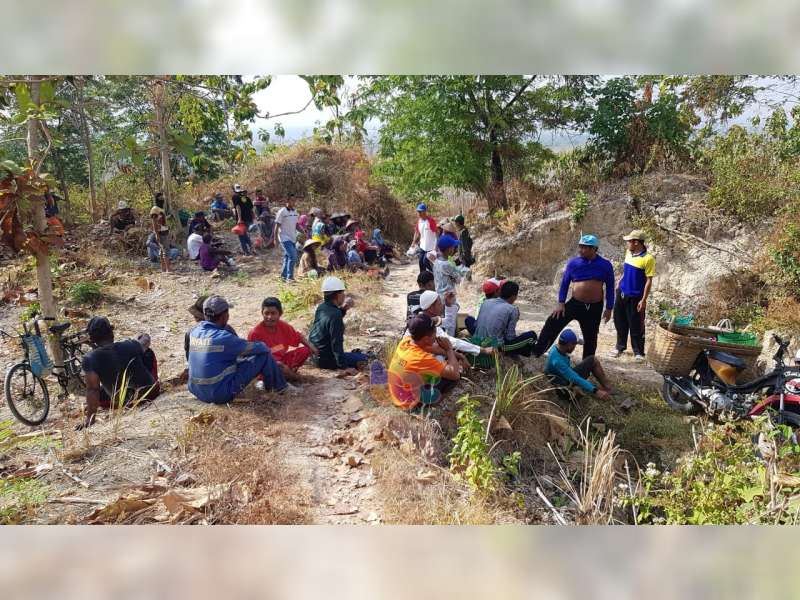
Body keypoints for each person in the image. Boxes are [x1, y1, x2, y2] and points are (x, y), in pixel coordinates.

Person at [188, 296, 292, 403]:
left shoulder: (194, 331)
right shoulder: (224, 337)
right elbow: (260, 348)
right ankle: (280, 388)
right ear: (225, 316)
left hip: (197, 391)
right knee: (263, 355)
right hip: (219, 395)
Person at [534, 234, 615, 360]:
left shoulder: (605, 265)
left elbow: (610, 287)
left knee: (591, 337)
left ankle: (587, 365)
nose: (580, 250)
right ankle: (537, 352)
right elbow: (565, 283)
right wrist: (561, 303)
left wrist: (609, 308)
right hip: (575, 304)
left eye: (584, 247)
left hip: (594, 308)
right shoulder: (573, 263)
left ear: (594, 249)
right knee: (552, 322)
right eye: (580, 246)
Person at [79, 316, 159, 428]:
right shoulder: (130, 345)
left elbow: (93, 390)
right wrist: (143, 335)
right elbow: (146, 341)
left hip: (123, 402)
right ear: (112, 333)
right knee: (148, 353)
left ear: (92, 339)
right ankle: (153, 381)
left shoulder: (90, 359)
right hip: (150, 393)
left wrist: (89, 419)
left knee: (98, 391)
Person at [388, 313, 462, 411]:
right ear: (427, 338)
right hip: (408, 405)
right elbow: (454, 374)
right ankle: (429, 406)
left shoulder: (407, 341)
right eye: (435, 332)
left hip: (398, 396)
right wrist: (449, 349)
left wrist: (459, 355)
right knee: (452, 378)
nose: (437, 335)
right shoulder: (421, 359)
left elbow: (435, 349)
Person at [410, 290, 495, 362]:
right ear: (431, 308)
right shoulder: (426, 323)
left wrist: (448, 305)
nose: (441, 306)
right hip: (418, 359)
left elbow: (449, 323)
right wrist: (482, 350)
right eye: (440, 304)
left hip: (418, 355)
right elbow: (452, 341)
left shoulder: (425, 318)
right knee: (440, 357)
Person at [248, 297, 318, 382]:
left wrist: (311, 347)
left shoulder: (283, 326)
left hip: (282, 362)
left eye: (273, 313)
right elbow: (253, 359)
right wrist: (294, 376)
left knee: (305, 350)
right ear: (262, 313)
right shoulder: (255, 333)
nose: (269, 317)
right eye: (266, 313)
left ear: (280, 314)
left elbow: (298, 336)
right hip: (266, 367)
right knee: (278, 367)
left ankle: (286, 375)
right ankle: (290, 377)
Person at [308, 276, 368, 373]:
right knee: (366, 358)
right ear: (337, 294)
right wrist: (343, 367)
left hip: (314, 356)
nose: (344, 295)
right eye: (342, 292)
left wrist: (343, 309)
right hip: (326, 360)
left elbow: (331, 318)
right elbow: (336, 344)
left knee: (355, 355)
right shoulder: (335, 315)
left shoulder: (322, 307)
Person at [612, 230, 656, 361]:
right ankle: (620, 346)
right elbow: (626, 271)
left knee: (636, 324)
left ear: (636, 242)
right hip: (622, 293)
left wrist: (643, 299)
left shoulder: (648, 259)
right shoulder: (628, 253)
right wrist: (620, 281)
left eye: (629, 241)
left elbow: (649, 280)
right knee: (619, 321)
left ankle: (638, 352)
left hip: (636, 297)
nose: (627, 244)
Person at [544, 329, 612, 401]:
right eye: (575, 344)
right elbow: (575, 378)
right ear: (569, 345)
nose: (575, 347)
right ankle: (584, 389)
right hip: (561, 385)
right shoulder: (557, 361)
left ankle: (607, 388)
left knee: (592, 360)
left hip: (564, 376)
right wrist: (596, 391)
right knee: (578, 397)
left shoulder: (557, 347)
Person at [474, 280, 538, 357]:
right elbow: (510, 337)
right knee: (532, 336)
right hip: (495, 346)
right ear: (514, 296)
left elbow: (478, 324)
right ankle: (522, 353)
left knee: (469, 319)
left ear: (500, 292)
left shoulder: (486, 302)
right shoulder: (512, 309)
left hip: (477, 340)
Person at [271, 193, 300, 281]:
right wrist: (275, 239)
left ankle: (283, 276)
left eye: (294, 200)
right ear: (287, 201)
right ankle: (290, 278)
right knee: (293, 256)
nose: (294, 202)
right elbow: (277, 226)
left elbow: (297, 225)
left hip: (293, 238)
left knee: (288, 256)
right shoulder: (282, 212)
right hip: (284, 238)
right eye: (292, 200)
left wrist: (303, 231)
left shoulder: (295, 212)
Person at [411, 203, 437, 273]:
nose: (418, 213)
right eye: (418, 211)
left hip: (431, 247)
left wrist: (436, 246)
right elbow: (417, 232)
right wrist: (413, 242)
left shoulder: (430, 221)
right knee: (421, 263)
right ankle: (423, 279)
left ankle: (435, 274)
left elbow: (437, 233)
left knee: (426, 262)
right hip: (422, 246)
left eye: (420, 211)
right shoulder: (419, 221)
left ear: (425, 211)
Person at [149, 193, 171, 273]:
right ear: (157, 199)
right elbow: (154, 223)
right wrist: (156, 234)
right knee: (166, 250)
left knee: (162, 251)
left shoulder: (161, 209)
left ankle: (163, 269)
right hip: (161, 233)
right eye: (160, 197)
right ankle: (168, 270)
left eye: (162, 197)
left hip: (164, 231)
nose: (162, 198)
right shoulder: (155, 209)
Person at [231, 184, 254, 255]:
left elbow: (238, 207)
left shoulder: (235, 197)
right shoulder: (246, 197)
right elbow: (251, 208)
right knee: (245, 234)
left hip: (242, 219)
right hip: (249, 218)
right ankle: (252, 249)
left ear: (234, 190)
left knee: (241, 236)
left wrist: (239, 219)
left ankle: (246, 252)